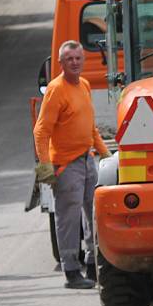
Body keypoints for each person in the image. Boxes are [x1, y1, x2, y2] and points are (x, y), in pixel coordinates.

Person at [34, 40, 111, 289]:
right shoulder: (56, 90)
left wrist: (105, 154)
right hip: (65, 165)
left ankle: (91, 264)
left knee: (94, 214)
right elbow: (41, 131)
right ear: (61, 63)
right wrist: (45, 167)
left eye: (78, 58)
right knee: (68, 218)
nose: (75, 63)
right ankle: (70, 270)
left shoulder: (85, 85)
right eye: (70, 59)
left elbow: (91, 127)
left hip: (86, 159)